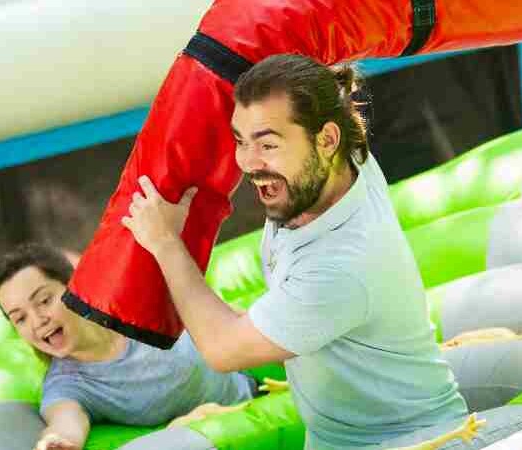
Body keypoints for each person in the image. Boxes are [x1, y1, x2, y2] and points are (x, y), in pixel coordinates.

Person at [121, 54, 467, 449]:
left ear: (327, 140)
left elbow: (222, 349)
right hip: (335, 435)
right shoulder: (339, 166)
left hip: (416, 440)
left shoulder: (340, 265)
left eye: (267, 144)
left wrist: (167, 243)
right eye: (240, 141)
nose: (248, 163)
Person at [0, 243, 255, 450]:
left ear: (74, 285)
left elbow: (232, 320)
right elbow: (65, 423)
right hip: (201, 440)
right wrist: (56, 442)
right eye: (20, 318)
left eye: (44, 300)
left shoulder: (137, 301)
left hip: (254, 399)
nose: (37, 321)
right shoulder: (67, 384)